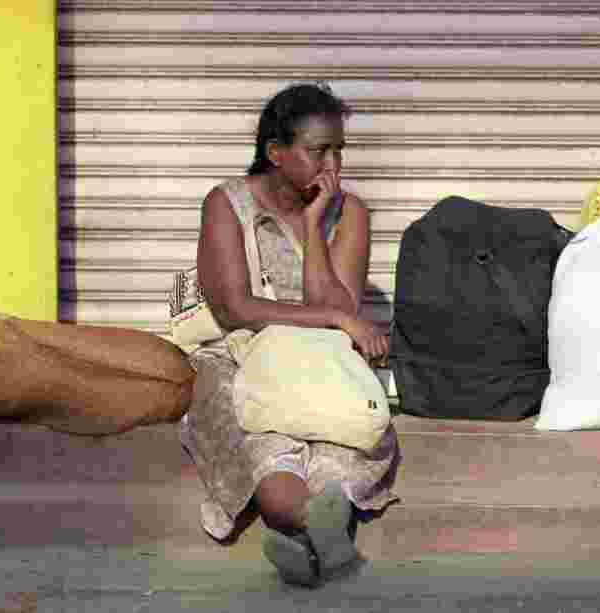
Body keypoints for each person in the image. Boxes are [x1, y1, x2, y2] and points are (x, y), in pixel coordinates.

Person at [179, 82, 400, 587]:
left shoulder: (349, 213)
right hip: (241, 358)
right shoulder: (226, 204)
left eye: (340, 150)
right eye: (319, 150)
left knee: (339, 454)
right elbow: (236, 308)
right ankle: (310, 532)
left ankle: (307, 539)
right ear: (275, 153)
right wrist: (340, 320)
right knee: (271, 463)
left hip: (322, 362)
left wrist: (314, 223)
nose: (333, 165)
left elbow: (339, 307)